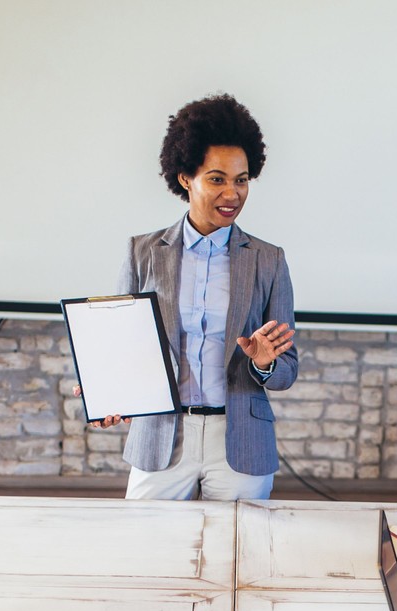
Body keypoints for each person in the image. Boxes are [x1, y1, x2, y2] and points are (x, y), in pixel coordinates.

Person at [88, 94, 299, 502]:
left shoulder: (269, 261)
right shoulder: (142, 252)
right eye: (217, 179)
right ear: (186, 178)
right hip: (161, 441)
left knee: (241, 560)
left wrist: (265, 363)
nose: (232, 194)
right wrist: (109, 393)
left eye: (241, 180)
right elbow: (122, 349)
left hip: (240, 443)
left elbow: (287, 369)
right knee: (148, 556)